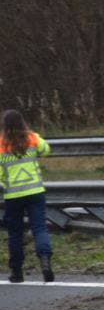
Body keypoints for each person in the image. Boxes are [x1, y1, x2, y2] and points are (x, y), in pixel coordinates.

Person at [2, 109, 53, 283]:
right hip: (36, 192)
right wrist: (36, 137)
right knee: (40, 228)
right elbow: (46, 150)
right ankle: (45, 261)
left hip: (13, 195)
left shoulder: (1, 144)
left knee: (15, 233)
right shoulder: (32, 138)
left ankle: (17, 272)